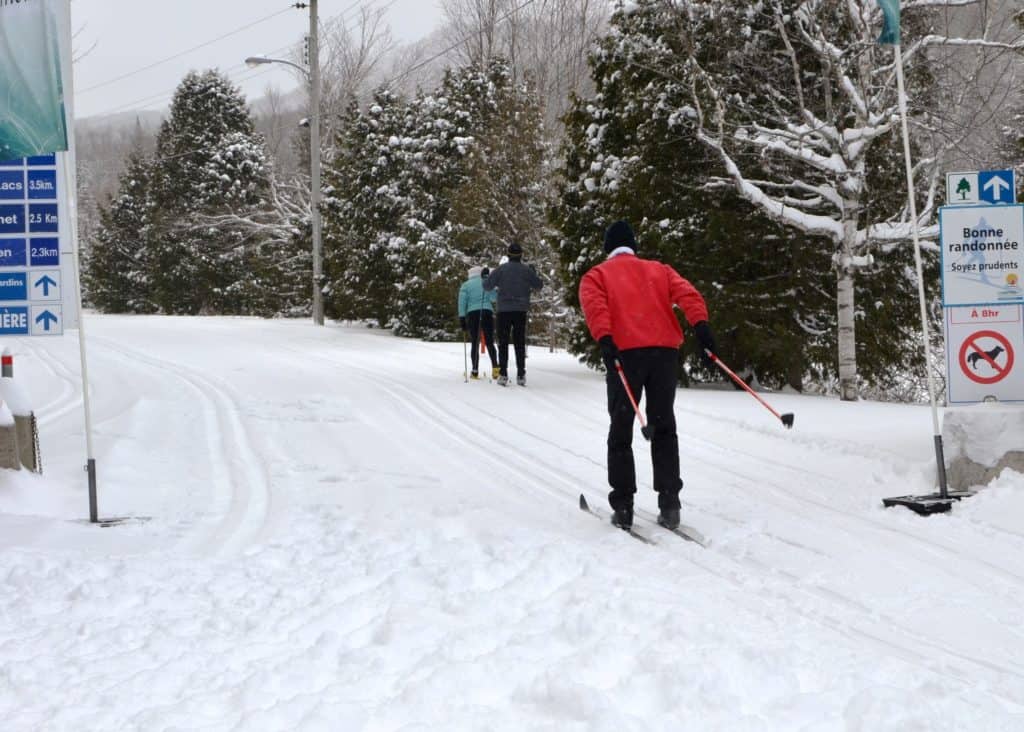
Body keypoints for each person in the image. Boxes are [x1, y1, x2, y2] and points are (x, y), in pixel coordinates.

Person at [578, 220, 717, 531]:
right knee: (664, 426)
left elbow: (595, 306)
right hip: (664, 356)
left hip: (625, 356)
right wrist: (701, 327)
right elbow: (689, 295)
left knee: (622, 428)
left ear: (607, 248)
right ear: (633, 246)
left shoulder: (597, 275)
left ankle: (624, 505)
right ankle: (670, 504)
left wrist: (604, 338)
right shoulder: (660, 270)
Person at [484, 242, 543, 386]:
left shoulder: (501, 270)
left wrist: (485, 276)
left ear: (508, 255)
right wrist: (534, 274)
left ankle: (503, 374)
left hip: (503, 310)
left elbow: (487, 286)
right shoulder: (526, 270)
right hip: (520, 310)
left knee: (503, 342)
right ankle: (521, 374)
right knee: (519, 342)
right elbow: (539, 285)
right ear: (521, 255)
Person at [457, 265, 499, 379]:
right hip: (487, 312)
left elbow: (462, 302)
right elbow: (494, 298)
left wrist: (462, 318)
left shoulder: (465, 285)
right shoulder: (486, 282)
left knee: (475, 342)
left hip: (472, 314)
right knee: (489, 341)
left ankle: (475, 371)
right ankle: (496, 369)